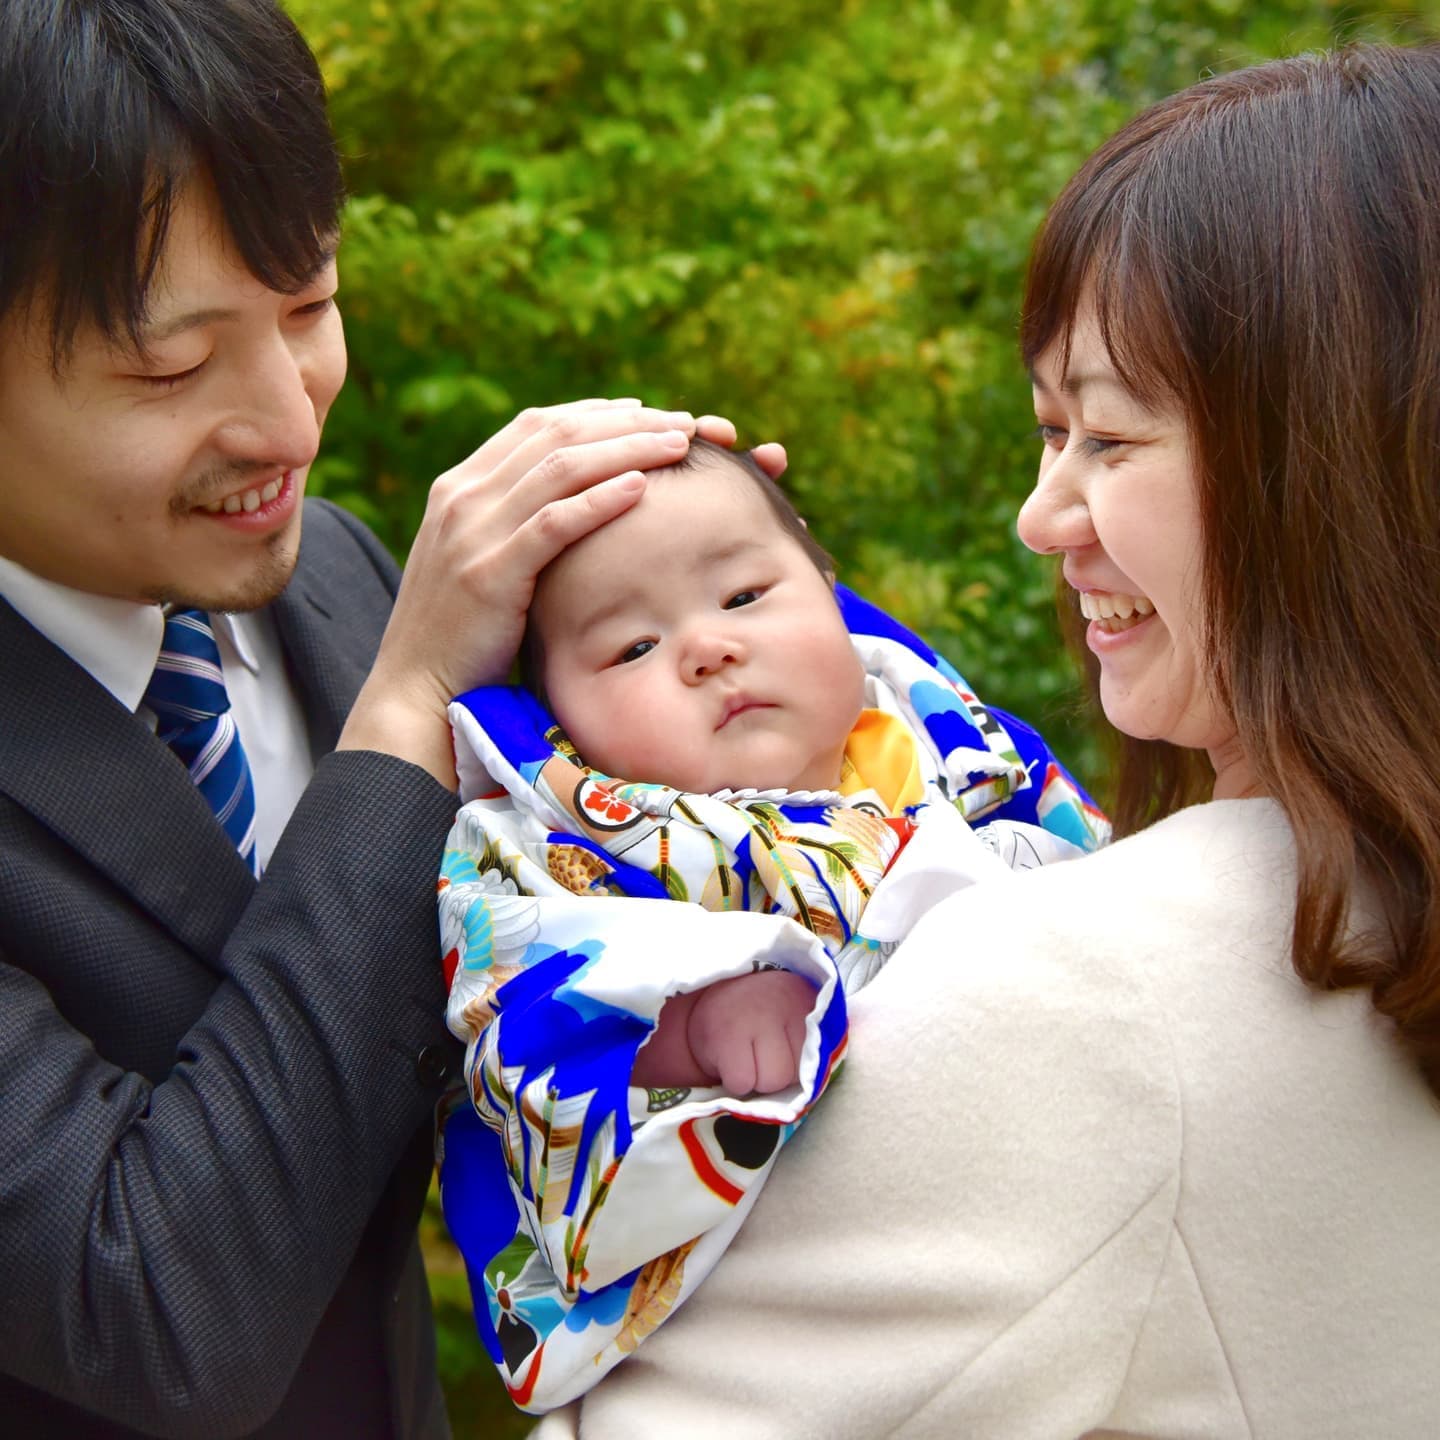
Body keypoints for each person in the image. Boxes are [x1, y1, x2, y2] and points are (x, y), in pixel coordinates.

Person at [530, 43, 1440, 1440]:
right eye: (1045, 430)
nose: (1043, 514)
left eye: (1110, 439)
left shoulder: (1100, 996)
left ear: (1322, 466)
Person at [0, 2, 753, 1435]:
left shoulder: (339, 577)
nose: (289, 421)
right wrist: (406, 712)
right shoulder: (401, 657)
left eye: (309, 305)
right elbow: (154, 1302)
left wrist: (711, 596)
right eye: (169, 368)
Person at [436, 437, 1108, 1409]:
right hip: (765, 1340)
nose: (709, 647)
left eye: (746, 595)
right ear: (558, 718)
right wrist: (689, 1028)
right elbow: (516, 1033)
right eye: (632, 648)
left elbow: (1106, 898)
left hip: (1025, 1238)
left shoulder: (963, 754)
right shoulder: (545, 843)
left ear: (828, 587)